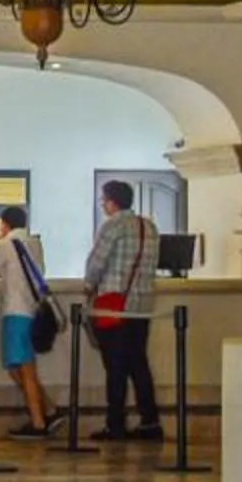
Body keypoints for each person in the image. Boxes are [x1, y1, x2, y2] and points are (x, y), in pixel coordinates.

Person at [86, 179, 163, 441]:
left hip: (114, 305)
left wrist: (88, 286)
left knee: (115, 367)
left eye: (103, 200)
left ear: (111, 201)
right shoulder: (149, 226)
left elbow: (96, 263)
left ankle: (115, 423)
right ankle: (150, 421)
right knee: (138, 363)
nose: (103, 205)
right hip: (142, 305)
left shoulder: (112, 225)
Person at [0, 205, 59, 435]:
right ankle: (48, 410)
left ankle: (39, 422)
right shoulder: (35, 243)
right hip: (33, 309)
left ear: (5, 224)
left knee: (24, 369)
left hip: (16, 310)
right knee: (16, 367)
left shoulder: (6, 243)